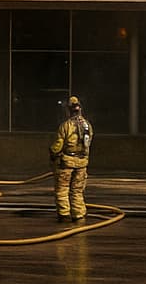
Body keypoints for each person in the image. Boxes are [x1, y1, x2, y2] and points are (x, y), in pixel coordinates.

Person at [49, 95, 93, 223]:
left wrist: (52, 153)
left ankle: (64, 215)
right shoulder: (87, 125)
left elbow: (58, 145)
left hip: (66, 163)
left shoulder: (65, 126)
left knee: (62, 189)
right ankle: (78, 215)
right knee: (77, 191)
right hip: (82, 163)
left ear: (68, 110)